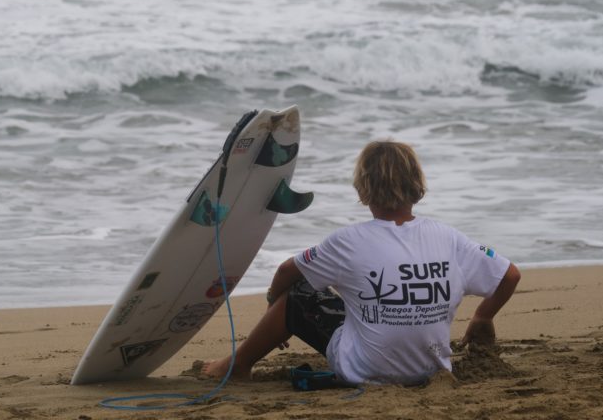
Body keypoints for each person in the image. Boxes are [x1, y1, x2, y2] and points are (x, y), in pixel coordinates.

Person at [203, 140, 520, 385]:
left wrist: (274, 301)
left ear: (363, 188)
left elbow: (287, 271)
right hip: (431, 369)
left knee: (299, 291)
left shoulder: (349, 241)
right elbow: (509, 275)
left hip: (363, 370)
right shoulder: (449, 239)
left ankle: (237, 365)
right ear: (417, 185)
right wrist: (482, 317)